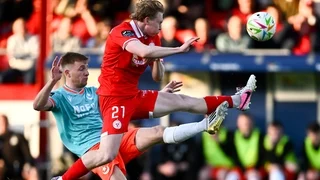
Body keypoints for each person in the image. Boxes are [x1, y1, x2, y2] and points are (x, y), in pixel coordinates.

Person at [60, 1, 257, 179]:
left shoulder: (153, 38)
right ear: (146, 20)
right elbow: (143, 51)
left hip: (134, 96)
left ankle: (238, 100)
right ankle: (63, 179)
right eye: (159, 22)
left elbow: (157, 76)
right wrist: (178, 50)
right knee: (106, 155)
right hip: (113, 99)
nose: (161, 27)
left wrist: (157, 62)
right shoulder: (122, 31)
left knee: (182, 102)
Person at [33, 53, 229, 180]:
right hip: (93, 151)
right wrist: (52, 82)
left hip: (111, 139)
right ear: (66, 73)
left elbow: (129, 99)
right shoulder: (59, 96)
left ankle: (205, 125)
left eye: (86, 68)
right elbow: (38, 105)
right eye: (81, 69)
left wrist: (161, 96)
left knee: (157, 131)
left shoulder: (95, 92)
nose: (86, 72)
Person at [0, 114, 36, 179]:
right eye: (1, 123)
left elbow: (28, 156)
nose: (2, 125)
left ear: (7, 123)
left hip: (19, 169)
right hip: (4, 170)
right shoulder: (1, 140)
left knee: (33, 172)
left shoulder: (18, 137)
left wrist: (28, 166)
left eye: (4, 122)